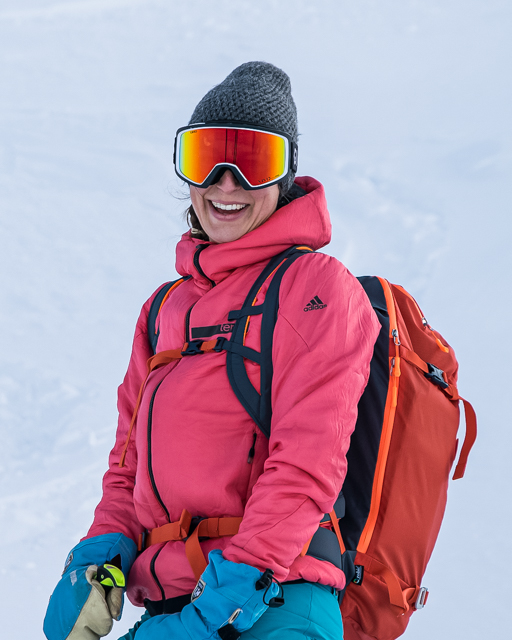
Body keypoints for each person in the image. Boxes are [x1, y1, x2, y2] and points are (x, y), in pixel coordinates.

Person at [43, 61, 381, 640]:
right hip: (174, 610)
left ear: (285, 177)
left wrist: (229, 597)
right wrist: (102, 551)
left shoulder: (315, 287)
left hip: (275, 603)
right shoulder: (162, 309)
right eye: (207, 159)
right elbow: (128, 465)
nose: (227, 184)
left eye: (253, 163)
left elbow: (306, 462)